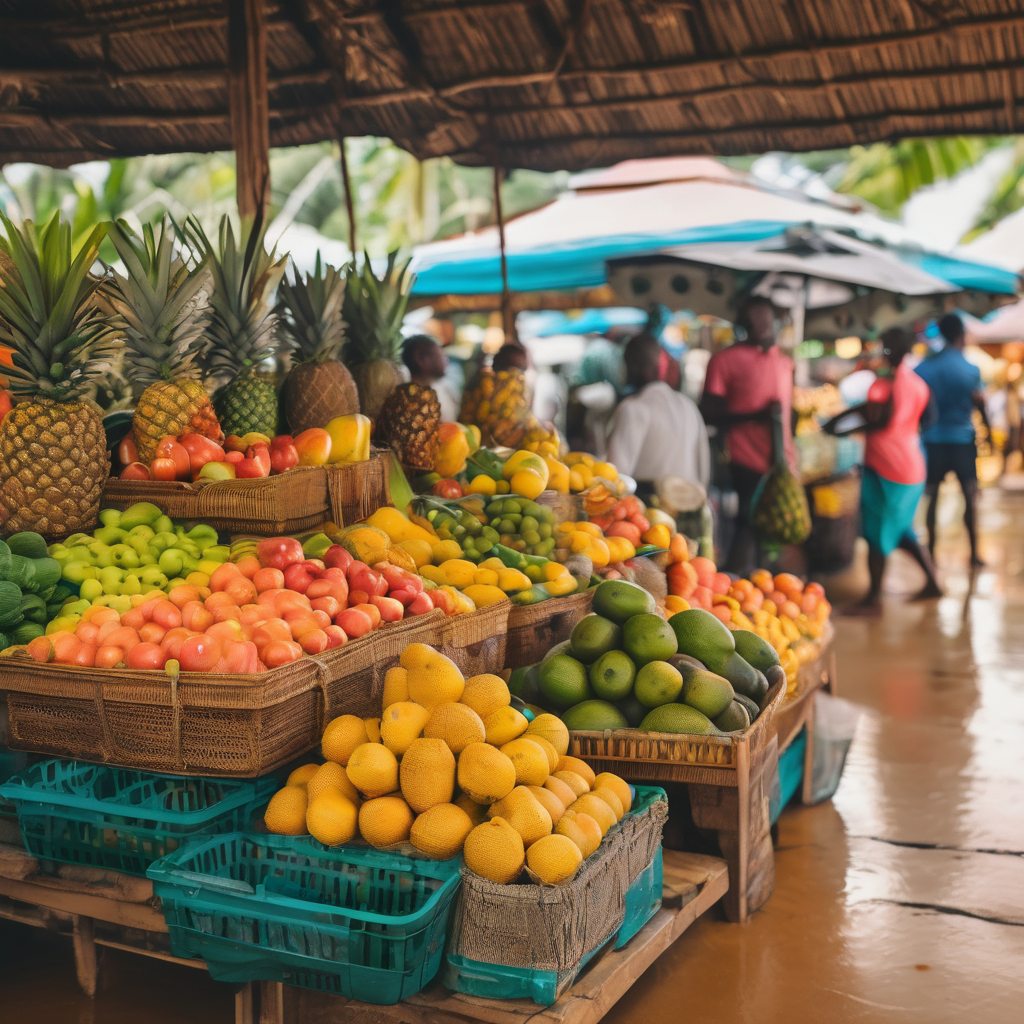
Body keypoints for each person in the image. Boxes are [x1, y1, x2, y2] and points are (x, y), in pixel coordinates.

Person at [825, 327, 941, 613]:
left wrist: (844, 428)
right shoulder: (916, 382)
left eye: (885, 347)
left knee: (877, 531)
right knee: (901, 530)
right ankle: (934, 582)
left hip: (888, 468)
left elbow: (881, 419)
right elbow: (925, 418)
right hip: (910, 465)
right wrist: (840, 420)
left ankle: (873, 599)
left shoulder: (892, 380)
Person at [700, 296, 797, 576]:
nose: (763, 324)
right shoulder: (724, 360)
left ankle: (765, 582)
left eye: (767, 317)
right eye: (755, 318)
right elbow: (707, 412)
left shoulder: (783, 361)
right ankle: (736, 580)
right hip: (744, 456)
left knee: (775, 526)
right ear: (743, 323)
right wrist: (754, 417)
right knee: (748, 520)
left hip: (782, 459)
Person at [914, 313, 989, 566]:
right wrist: (986, 432)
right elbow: (980, 404)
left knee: (932, 498)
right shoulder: (971, 369)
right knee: (969, 496)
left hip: (932, 442)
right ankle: (975, 553)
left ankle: (931, 556)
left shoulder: (923, 368)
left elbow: (918, 408)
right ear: (961, 336)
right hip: (962, 441)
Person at [606, 333, 710, 492]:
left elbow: (615, 478)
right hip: (690, 507)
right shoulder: (688, 405)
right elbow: (704, 469)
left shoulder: (633, 409)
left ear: (637, 367)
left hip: (647, 512)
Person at [402, 334, 458, 421]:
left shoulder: (443, 388)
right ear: (421, 358)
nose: (446, 359)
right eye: (442, 353)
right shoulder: (409, 401)